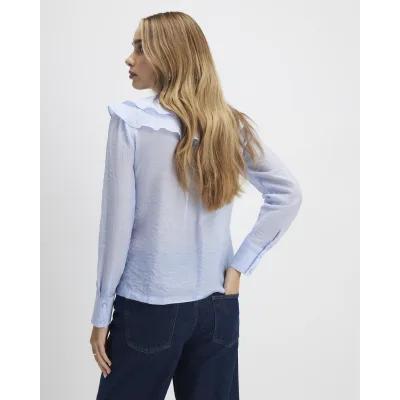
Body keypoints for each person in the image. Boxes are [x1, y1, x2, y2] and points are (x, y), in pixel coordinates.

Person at [89, 11, 302, 400]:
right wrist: (238, 267)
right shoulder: (227, 124)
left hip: (149, 307)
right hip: (217, 308)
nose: (129, 58)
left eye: (141, 48)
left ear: (169, 55)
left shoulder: (132, 123)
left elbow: (116, 229)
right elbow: (287, 193)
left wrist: (102, 312)